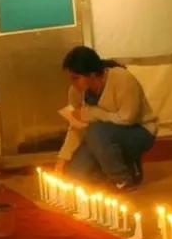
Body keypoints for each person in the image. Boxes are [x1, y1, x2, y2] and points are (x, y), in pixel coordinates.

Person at [56, 46, 158, 191]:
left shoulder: (122, 79)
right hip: (100, 138)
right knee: (74, 174)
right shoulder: (75, 92)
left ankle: (122, 179)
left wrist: (91, 113)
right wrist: (62, 159)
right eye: (70, 79)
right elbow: (77, 125)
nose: (72, 84)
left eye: (76, 78)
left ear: (92, 75)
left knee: (96, 132)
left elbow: (127, 118)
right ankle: (122, 164)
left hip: (138, 130)